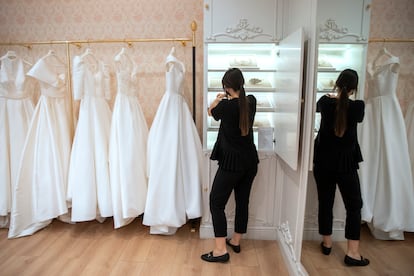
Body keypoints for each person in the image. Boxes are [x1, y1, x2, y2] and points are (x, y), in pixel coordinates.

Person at [201, 68, 259, 263]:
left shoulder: (225, 107)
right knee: (243, 202)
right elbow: (239, 103)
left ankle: (220, 250)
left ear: (226, 87)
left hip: (231, 163)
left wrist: (217, 100)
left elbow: (211, 112)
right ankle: (235, 240)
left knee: (216, 203)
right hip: (250, 162)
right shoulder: (251, 101)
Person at [313, 69, 369, 266]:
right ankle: (352, 253)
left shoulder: (324, 102)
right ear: (354, 88)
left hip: (323, 161)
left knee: (325, 201)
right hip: (346, 163)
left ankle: (327, 244)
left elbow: (323, 106)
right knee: (354, 206)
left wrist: (332, 96)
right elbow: (355, 114)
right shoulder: (358, 106)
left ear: (337, 84)